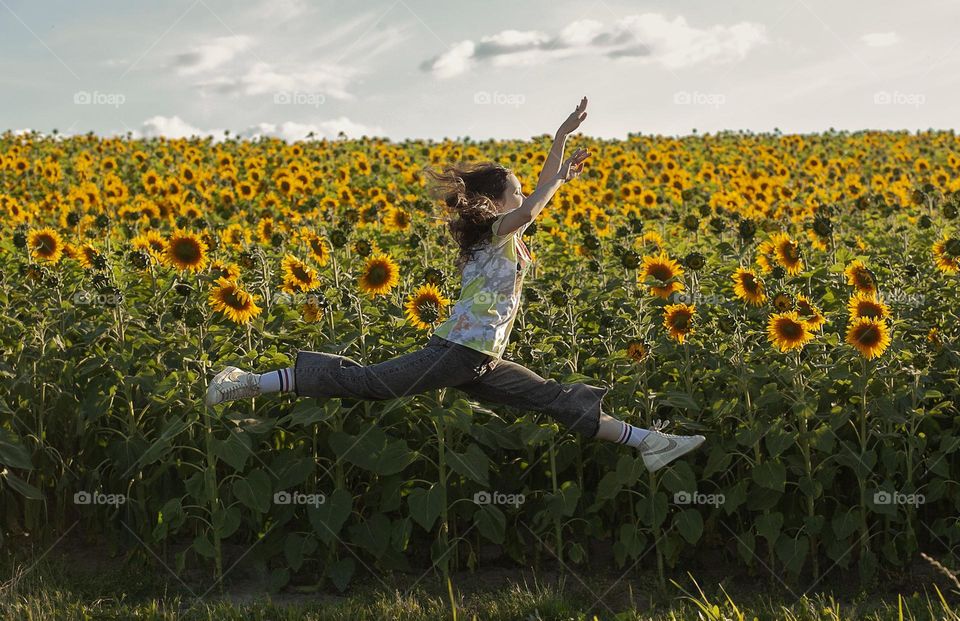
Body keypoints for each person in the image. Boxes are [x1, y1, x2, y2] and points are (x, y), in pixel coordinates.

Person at [205, 96, 705, 472]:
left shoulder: (504, 236)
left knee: (553, 398)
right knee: (369, 383)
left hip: (481, 356)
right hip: (459, 349)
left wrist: (559, 159)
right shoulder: (492, 231)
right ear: (497, 199)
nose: (524, 192)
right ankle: (246, 382)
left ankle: (649, 443)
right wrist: (557, 149)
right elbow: (532, 207)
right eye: (516, 188)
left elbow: (534, 200)